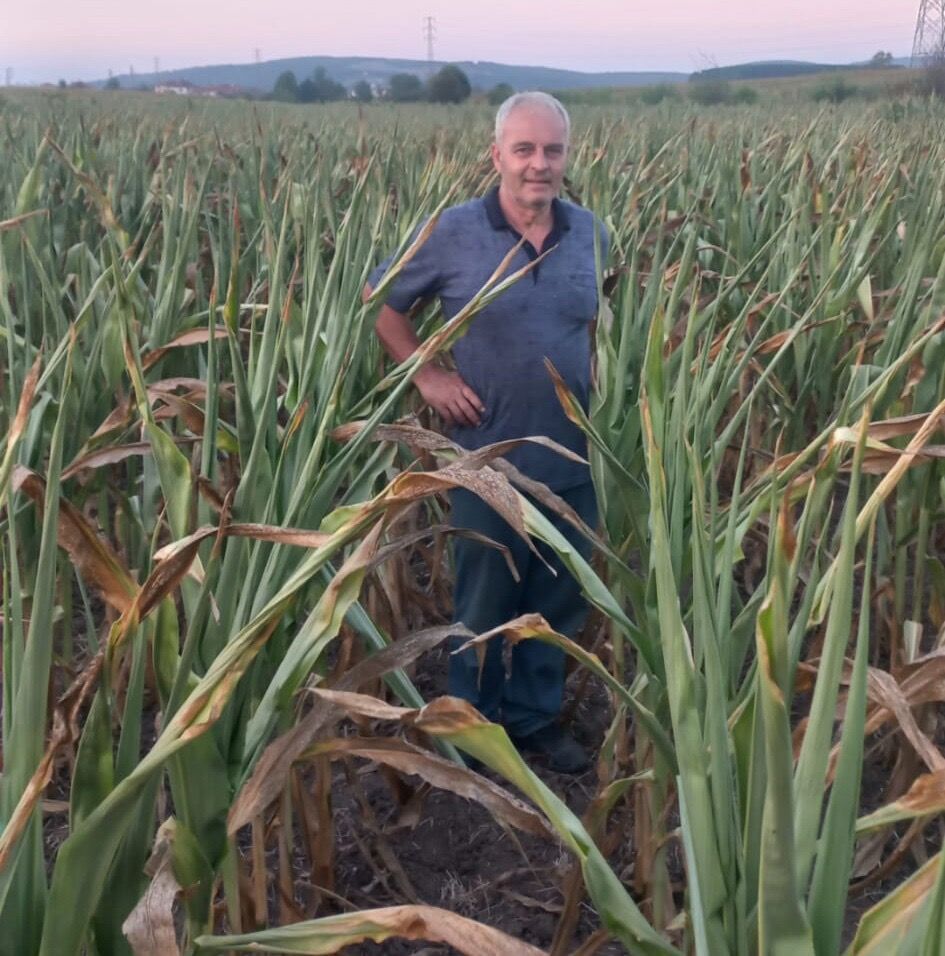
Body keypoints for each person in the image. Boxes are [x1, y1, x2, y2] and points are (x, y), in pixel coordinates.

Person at [364, 92, 608, 773]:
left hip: (574, 454)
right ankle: (470, 727)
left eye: (552, 150)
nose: (539, 164)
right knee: (483, 597)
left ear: (567, 156)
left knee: (557, 596)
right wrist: (427, 375)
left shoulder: (591, 232)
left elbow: (597, 316)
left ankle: (533, 721)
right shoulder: (451, 231)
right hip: (485, 457)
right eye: (524, 150)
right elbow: (382, 305)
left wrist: (596, 368)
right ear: (496, 155)